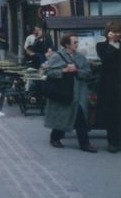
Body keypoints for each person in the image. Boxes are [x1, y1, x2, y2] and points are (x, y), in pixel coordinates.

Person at [44, 33, 97, 153]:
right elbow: (49, 72)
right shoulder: (57, 56)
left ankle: (85, 143)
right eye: (75, 42)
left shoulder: (81, 57)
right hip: (64, 91)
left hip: (79, 92)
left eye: (77, 42)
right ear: (67, 44)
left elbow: (88, 73)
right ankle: (55, 137)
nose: (77, 44)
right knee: (63, 115)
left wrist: (77, 70)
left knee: (80, 117)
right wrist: (64, 70)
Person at [95, 21, 121, 153]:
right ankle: (113, 142)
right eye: (114, 32)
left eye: (118, 32)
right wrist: (111, 44)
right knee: (112, 114)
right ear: (108, 33)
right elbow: (106, 59)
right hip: (110, 86)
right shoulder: (101, 46)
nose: (117, 35)